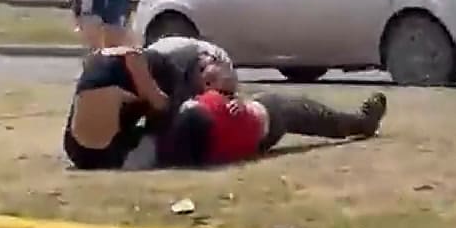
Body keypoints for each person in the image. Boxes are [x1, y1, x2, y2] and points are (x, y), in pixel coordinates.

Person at [62, 36, 232, 171]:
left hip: (78, 148)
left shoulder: (120, 61)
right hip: (101, 153)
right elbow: (160, 105)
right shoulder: (165, 71)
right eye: (208, 83)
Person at [161, 87, 387, 168]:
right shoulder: (214, 108)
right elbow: (224, 89)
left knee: (323, 119)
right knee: (323, 117)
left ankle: (359, 123)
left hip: (263, 134)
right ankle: (364, 122)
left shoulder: (206, 153)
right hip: (272, 112)